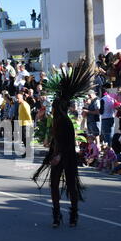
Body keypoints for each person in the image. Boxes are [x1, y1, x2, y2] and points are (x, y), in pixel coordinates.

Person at [33, 59, 94, 229]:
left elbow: (68, 142)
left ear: (59, 108)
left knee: (71, 184)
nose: (52, 110)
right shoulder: (57, 121)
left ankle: (73, 214)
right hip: (57, 154)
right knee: (54, 184)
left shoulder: (65, 121)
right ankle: (57, 215)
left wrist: (58, 155)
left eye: (53, 107)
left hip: (66, 156)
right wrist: (51, 148)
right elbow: (57, 140)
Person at [17, 93, 33, 157]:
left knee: (26, 139)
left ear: (22, 98)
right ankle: (27, 151)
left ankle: (28, 152)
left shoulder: (24, 104)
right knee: (23, 139)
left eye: (18, 98)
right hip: (21, 124)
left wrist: (31, 123)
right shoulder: (20, 105)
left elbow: (28, 114)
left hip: (26, 124)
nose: (17, 99)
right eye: (16, 98)